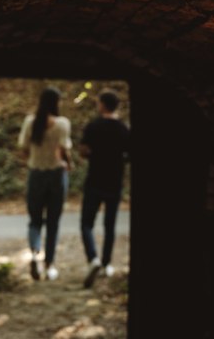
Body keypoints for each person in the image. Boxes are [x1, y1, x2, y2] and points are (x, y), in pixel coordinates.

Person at [18, 87, 73, 281]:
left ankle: (34, 253)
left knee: (34, 220)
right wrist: (69, 164)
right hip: (57, 175)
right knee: (53, 222)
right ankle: (49, 265)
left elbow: (23, 149)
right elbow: (65, 150)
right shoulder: (62, 124)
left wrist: (34, 160)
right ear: (56, 103)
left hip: (36, 174)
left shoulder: (30, 122)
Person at [79, 89, 130, 288]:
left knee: (86, 223)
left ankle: (93, 259)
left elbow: (83, 151)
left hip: (94, 181)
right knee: (110, 225)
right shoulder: (123, 129)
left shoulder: (93, 126)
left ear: (102, 105)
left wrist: (95, 155)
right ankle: (107, 263)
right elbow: (130, 154)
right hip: (115, 182)